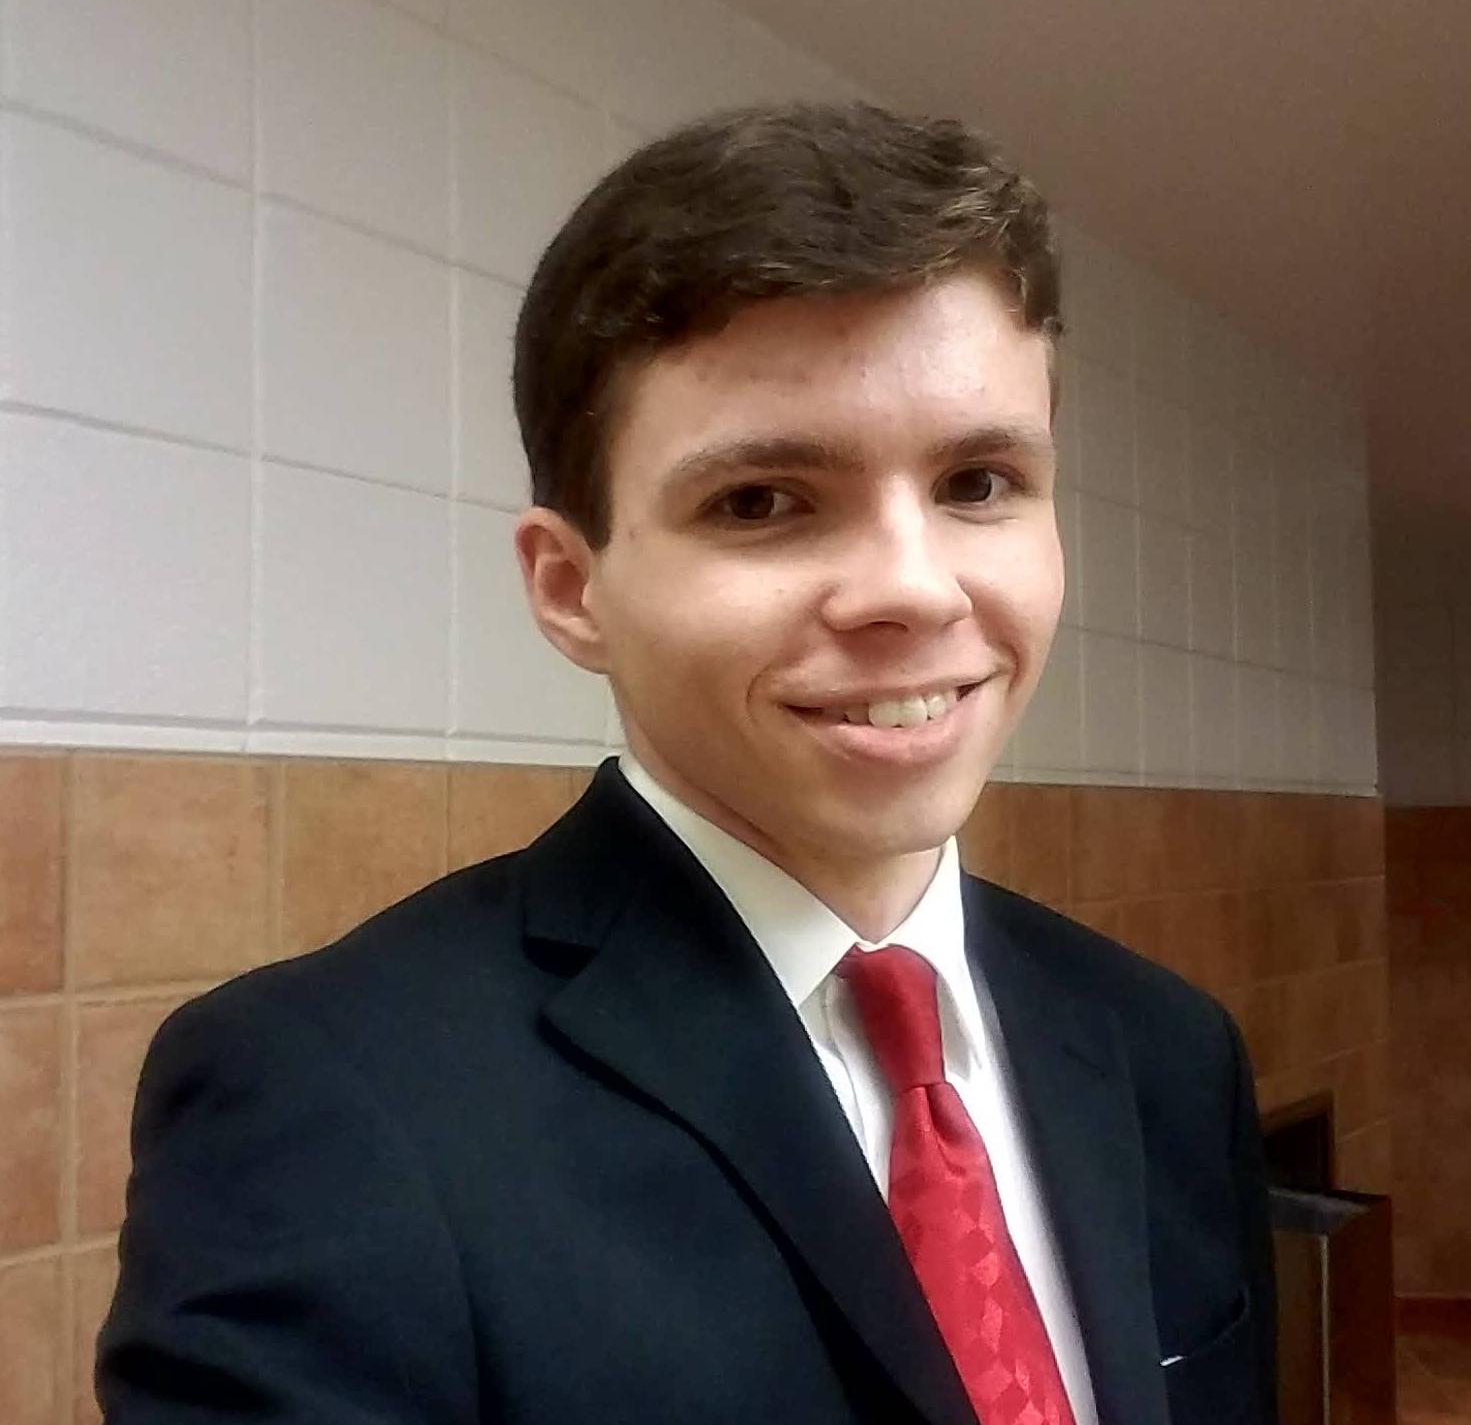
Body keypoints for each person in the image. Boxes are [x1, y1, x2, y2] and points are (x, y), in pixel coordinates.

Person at [98, 102, 1277, 1425]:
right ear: (571, 588)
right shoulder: (327, 1102)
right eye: (762, 501)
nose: (913, 588)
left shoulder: (1164, 1050)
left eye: (978, 483)